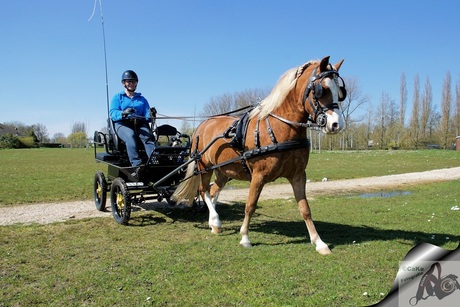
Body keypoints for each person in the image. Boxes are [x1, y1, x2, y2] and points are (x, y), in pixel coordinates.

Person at [109, 70, 156, 178]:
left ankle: (153, 162)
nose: (131, 84)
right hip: (122, 124)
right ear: (124, 83)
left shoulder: (142, 99)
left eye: (133, 82)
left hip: (139, 124)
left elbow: (147, 115)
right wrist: (123, 113)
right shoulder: (118, 97)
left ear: (136, 83)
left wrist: (151, 114)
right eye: (129, 81)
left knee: (148, 137)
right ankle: (137, 166)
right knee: (130, 136)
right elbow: (112, 112)